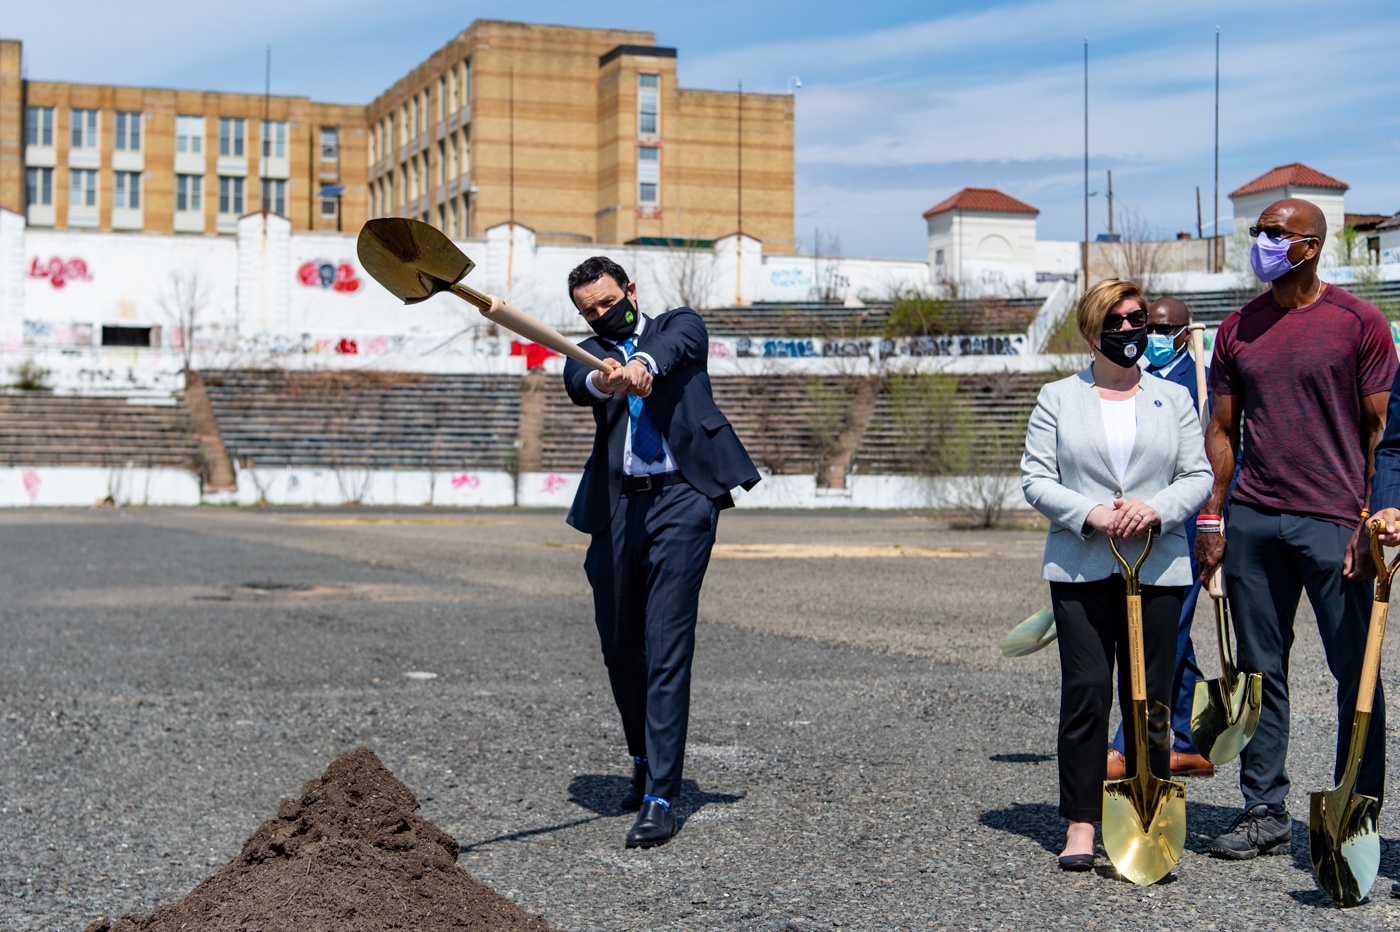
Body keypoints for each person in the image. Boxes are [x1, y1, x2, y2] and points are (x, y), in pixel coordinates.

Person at [1196, 197, 1395, 859]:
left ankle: (1355, 812)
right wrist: (1214, 518)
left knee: (1355, 671)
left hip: (1336, 522)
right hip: (1254, 520)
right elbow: (1222, 430)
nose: (1261, 241)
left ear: (1312, 245)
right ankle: (1263, 811)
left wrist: (1369, 523)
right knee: (1258, 671)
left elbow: (1379, 433)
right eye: (1258, 231)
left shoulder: (1358, 323)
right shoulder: (1237, 329)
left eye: (1276, 233)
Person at [563, 256, 760, 848]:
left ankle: (661, 795)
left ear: (629, 289)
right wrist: (606, 377)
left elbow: (674, 347)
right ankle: (642, 756)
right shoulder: (589, 351)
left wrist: (643, 365)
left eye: (607, 301)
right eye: (588, 310)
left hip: (682, 499)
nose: (601, 314)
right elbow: (580, 384)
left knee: (667, 642)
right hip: (619, 505)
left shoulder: (679, 325)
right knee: (621, 644)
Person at [1022, 278, 1212, 871]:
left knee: (1150, 698)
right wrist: (1091, 512)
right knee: (1086, 693)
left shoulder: (1173, 399)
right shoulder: (1058, 397)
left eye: (1138, 321)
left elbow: (1197, 475)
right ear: (1090, 331)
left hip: (1156, 565)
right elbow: (1036, 478)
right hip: (1081, 567)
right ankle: (1081, 822)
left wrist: (1156, 508)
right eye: (1116, 322)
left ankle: (1146, 810)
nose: (1130, 331)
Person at [1105, 296, 1215, 781]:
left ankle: (1127, 746)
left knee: (1160, 633)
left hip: (1186, 526)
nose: (1156, 335)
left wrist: (1213, 525)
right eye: (1152, 325)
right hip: (1137, 527)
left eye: (1168, 328)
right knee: (1171, 631)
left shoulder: (1202, 384)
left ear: (1186, 333)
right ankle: (1187, 742)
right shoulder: (1139, 376)